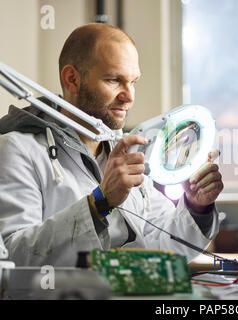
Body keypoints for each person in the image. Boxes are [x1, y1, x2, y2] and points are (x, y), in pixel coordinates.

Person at [0, 23, 224, 267]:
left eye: (133, 81)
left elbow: (162, 246)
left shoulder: (124, 151)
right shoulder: (17, 150)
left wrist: (196, 206)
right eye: (114, 80)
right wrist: (100, 203)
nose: (129, 96)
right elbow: (14, 257)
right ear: (72, 79)